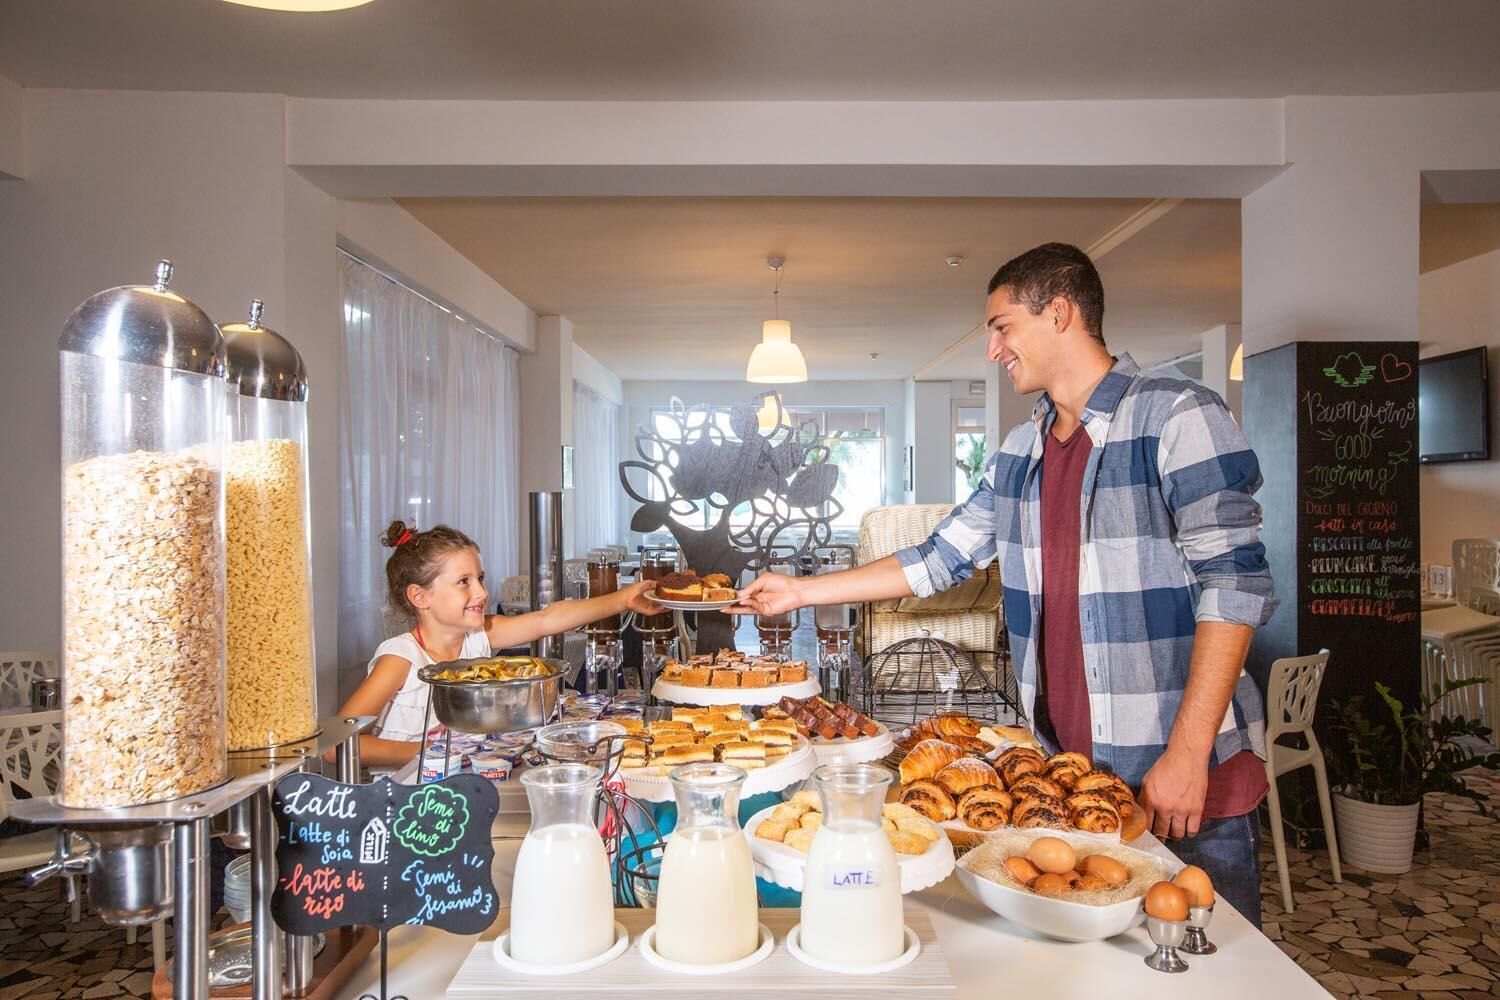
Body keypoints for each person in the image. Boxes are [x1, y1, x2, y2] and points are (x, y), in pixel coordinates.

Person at [735, 243, 1277, 926]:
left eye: (1001, 327)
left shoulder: (1175, 416)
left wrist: (1189, 751)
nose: (993, 349)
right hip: (1073, 781)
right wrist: (800, 591)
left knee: (1218, 971)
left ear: (1060, 313)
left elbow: (1234, 585)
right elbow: (939, 557)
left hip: (1180, 778)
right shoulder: (1021, 452)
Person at [337, 520, 660, 767]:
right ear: (419, 596)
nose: (481, 592)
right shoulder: (401, 658)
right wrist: (433, 753)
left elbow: (546, 620)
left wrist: (623, 599)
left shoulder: (477, 638)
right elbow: (339, 748)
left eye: (480, 579)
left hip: (463, 785)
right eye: (463, 582)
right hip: (408, 798)